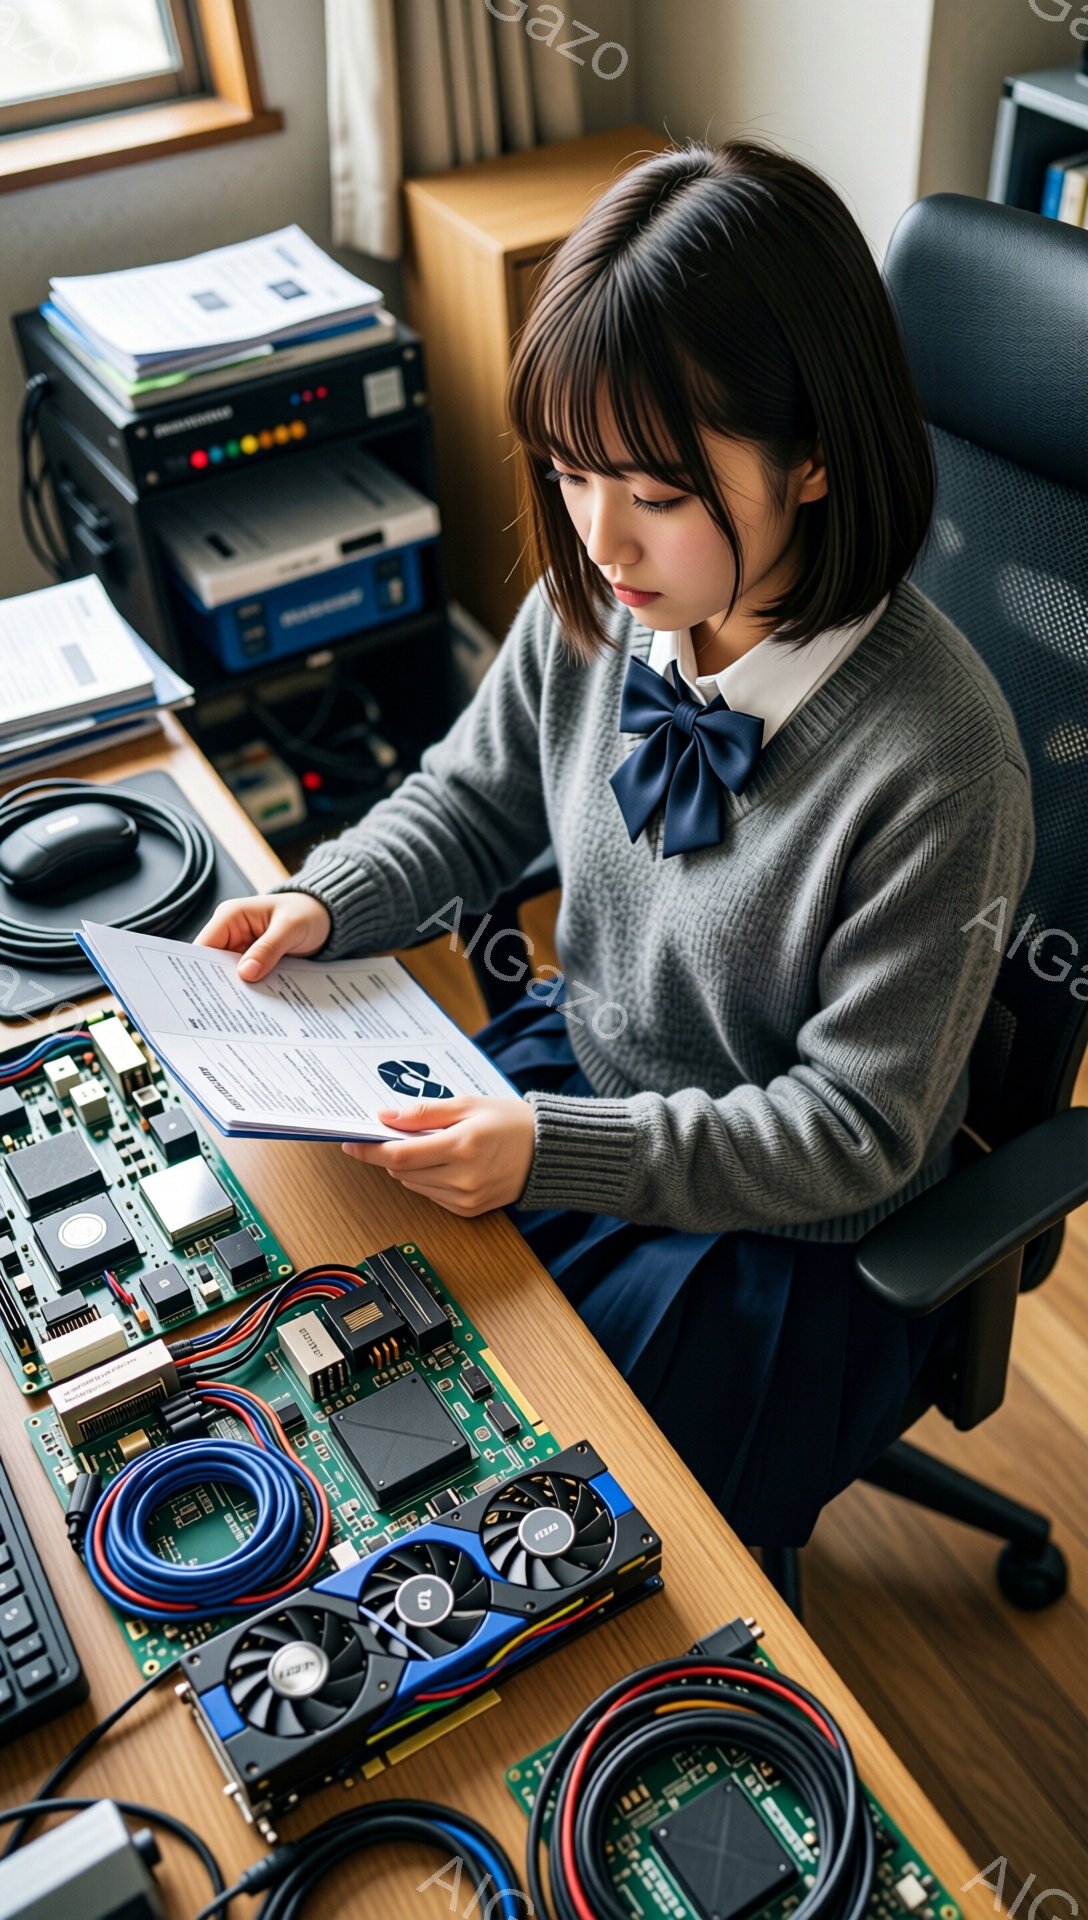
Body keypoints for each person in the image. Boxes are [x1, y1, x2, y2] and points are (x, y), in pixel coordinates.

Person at [195, 138, 1035, 1549]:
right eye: (571, 474)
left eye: (654, 493)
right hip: (579, 1081)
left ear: (815, 458)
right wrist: (325, 901)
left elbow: (852, 1132)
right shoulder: (603, 604)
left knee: (520, 1526)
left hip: (784, 1242)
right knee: (325, 1344)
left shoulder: (943, 763)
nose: (599, 539)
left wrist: (553, 1155)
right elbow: (472, 800)